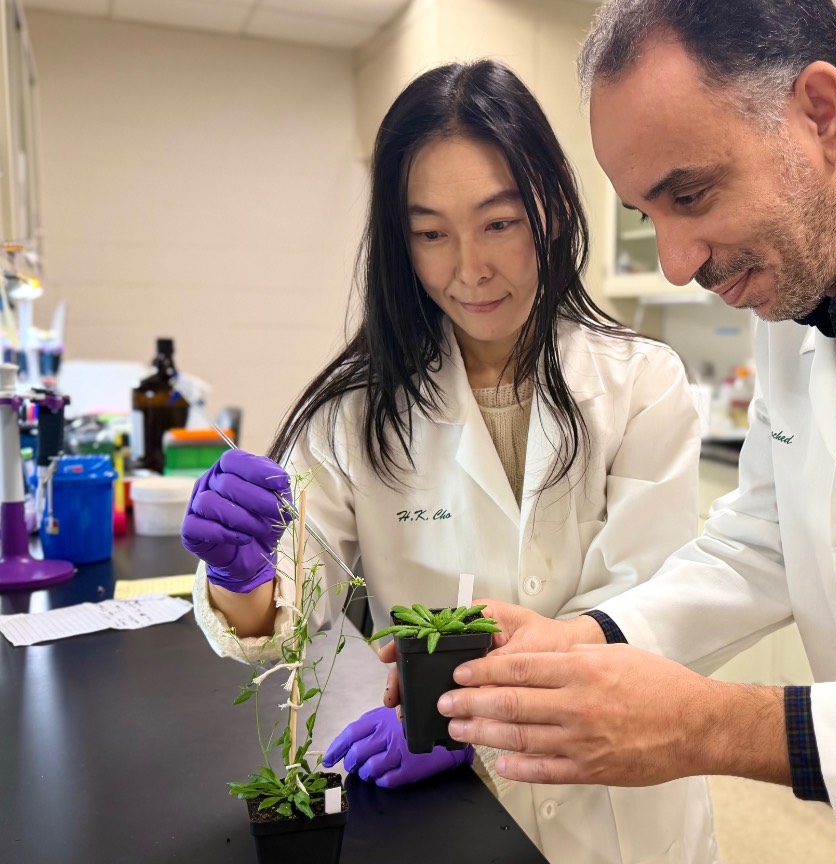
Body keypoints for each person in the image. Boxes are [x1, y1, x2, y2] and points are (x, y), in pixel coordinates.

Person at [422, 2, 836, 864]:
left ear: (820, 112)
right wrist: (585, 642)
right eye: (648, 214)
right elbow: (764, 539)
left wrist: (719, 728)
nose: (676, 262)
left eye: (690, 195)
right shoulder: (799, 283)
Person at [180, 59, 720, 864]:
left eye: (498, 223)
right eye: (431, 233)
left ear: (554, 205)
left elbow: (647, 613)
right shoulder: (356, 412)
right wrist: (241, 575)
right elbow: (294, 607)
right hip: (449, 818)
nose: (468, 268)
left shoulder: (642, 383)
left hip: (624, 813)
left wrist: (471, 720)